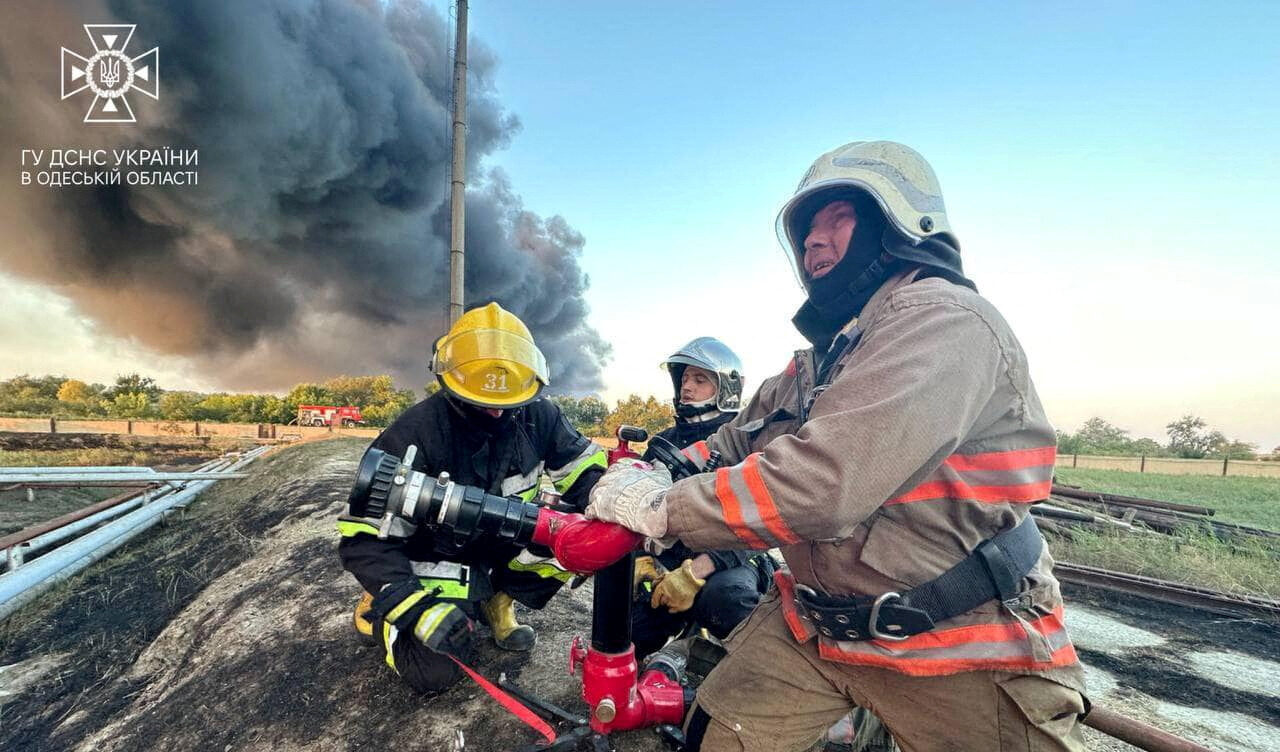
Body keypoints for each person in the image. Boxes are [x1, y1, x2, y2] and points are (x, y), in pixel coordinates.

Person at [587, 141, 1088, 751]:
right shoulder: (820, 360)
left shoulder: (946, 322)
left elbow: (822, 484)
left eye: (838, 219)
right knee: (716, 737)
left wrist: (664, 510)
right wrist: (654, 468)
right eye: (805, 232)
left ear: (900, 224)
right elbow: (735, 440)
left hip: (960, 637)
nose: (812, 244)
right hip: (819, 625)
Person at [337, 302, 607, 694]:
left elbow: (588, 476)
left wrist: (624, 515)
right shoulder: (416, 433)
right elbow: (361, 539)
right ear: (452, 385)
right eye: (482, 403)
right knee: (436, 674)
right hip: (435, 557)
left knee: (579, 534)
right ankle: (380, 605)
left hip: (498, 544)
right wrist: (414, 607)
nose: (497, 414)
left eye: (507, 403)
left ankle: (498, 602)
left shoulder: (539, 417)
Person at [631, 338, 775, 659]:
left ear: (725, 389)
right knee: (625, 626)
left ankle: (752, 678)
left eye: (700, 380)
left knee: (727, 601)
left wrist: (696, 572)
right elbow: (640, 503)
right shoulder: (662, 443)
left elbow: (765, 522)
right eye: (684, 379)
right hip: (668, 557)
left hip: (730, 555)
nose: (687, 388)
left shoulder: (745, 441)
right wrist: (640, 554)